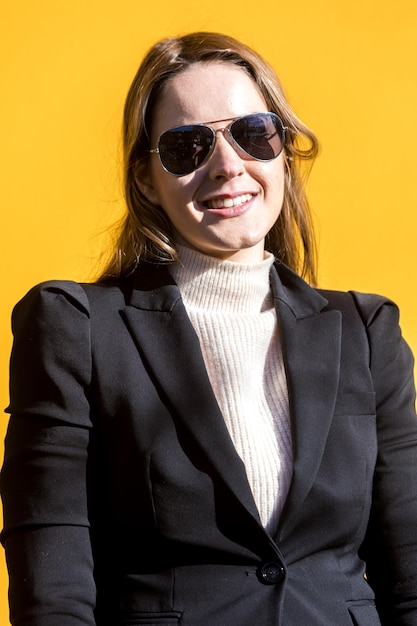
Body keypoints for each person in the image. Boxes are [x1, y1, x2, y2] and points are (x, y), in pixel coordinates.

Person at [1, 31, 416, 626]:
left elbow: (410, 571)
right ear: (146, 178)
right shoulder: (76, 327)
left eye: (253, 133)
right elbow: (52, 578)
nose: (227, 165)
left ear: (283, 149)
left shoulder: (368, 330)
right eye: (187, 146)